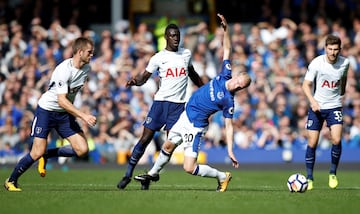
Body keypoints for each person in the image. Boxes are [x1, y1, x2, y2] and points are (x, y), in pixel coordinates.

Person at [134, 13, 251, 192]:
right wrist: (226, 31)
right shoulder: (225, 73)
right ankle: (151, 174)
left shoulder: (229, 101)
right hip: (185, 116)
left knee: (188, 167)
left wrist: (230, 150)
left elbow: (229, 126)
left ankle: (222, 176)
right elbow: (227, 50)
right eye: (238, 81)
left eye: (240, 87)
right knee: (167, 145)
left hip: (195, 127)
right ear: (236, 76)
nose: (237, 86)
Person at [117, 22, 204, 190]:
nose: (176, 38)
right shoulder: (158, 57)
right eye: (172, 35)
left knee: (169, 145)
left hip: (178, 107)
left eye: (178, 35)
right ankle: (127, 174)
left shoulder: (186, 54)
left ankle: (149, 176)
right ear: (166, 37)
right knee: (145, 139)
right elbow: (144, 78)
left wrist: (205, 88)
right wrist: (135, 81)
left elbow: (193, 74)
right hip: (160, 104)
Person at [4, 37, 97, 191]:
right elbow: (61, 100)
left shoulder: (87, 69)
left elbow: (69, 97)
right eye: (89, 52)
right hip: (46, 111)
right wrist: (84, 115)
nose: (92, 55)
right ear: (79, 52)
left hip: (63, 114)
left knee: (82, 149)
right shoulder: (63, 70)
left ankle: (47, 154)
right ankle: (11, 181)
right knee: (36, 151)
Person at [302, 34, 349, 190]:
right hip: (317, 106)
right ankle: (309, 177)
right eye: (330, 49)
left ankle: (332, 173)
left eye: (336, 49)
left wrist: (342, 91)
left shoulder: (345, 63)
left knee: (336, 139)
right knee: (312, 142)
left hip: (334, 106)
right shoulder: (317, 63)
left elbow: (343, 78)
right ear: (325, 49)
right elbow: (305, 85)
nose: (333, 52)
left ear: (339, 49)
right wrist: (313, 102)